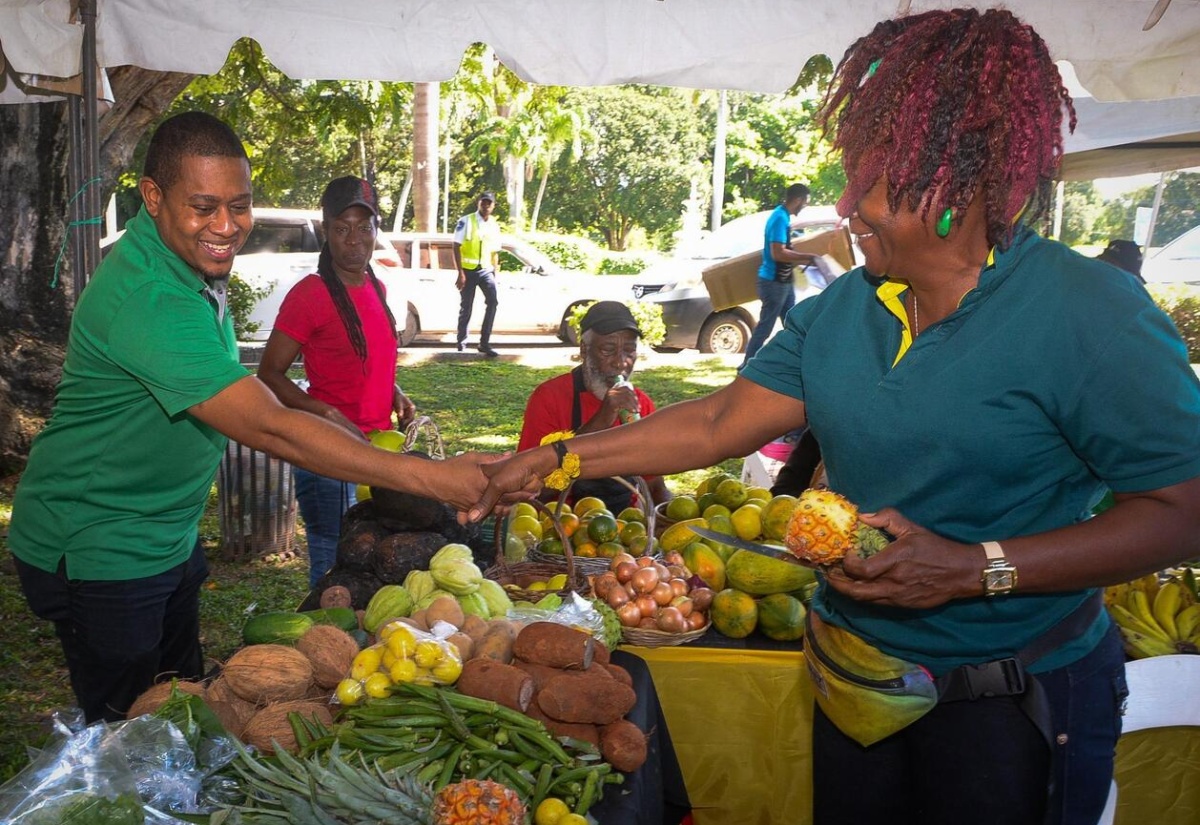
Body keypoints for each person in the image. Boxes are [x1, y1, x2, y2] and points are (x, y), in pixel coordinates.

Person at [469, 10, 1200, 825]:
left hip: (1012, 704)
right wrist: (562, 456)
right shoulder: (849, 307)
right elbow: (721, 423)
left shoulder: (1091, 315)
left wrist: (977, 565)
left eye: (876, 179)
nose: (849, 203)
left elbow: (1182, 511)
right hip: (856, 686)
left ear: (960, 182)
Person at [7, 112, 514, 725]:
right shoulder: (149, 296)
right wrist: (428, 477)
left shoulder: (185, 265)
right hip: (100, 544)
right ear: (152, 197)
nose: (226, 227)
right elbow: (268, 425)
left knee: (183, 707)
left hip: (165, 533)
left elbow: (254, 397)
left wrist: (341, 424)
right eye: (203, 207)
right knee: (129, 735)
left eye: (240, 205)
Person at [257, 175, 417, 589]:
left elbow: (365, 358)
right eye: (343, 229)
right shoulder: (311, 294)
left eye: (365, 228)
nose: (355, 239)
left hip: (376, 451)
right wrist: (323, 410)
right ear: (327, 232)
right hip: (329, 454)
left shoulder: (375, 286)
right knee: (333, 563)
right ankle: (324, 642)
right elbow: (270, 373)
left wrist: (393, 392)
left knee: (371, 560)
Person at [517, 301, 672, 513]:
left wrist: (671, 515)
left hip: (626, 526)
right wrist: (602, 419)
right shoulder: (549, 398)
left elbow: (654, 484)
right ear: (584, 349)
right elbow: (529, 491)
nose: (621, 363)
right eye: (608, 350)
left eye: (629, 351)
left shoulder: (640, 404)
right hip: (562, 524)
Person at [741, 182, 812, 365]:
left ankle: (797, 361)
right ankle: (747, 364)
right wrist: (806, 257)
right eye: (805, 202)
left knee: (792, 324)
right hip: (773, 282)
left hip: (783, 281)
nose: (805, 206)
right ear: (798, 199)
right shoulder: (779, 218)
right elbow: (777, 253)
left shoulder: (783, 217)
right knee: (766, 326)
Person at [453, 191, 502, 356]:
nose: (486, 205)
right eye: (483, 202)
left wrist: (495, 272)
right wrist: (460, 273)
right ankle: (461, 343)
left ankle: (484, 343)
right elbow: (456, 246)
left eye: (489, 203)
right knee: (466, 307)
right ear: (478, 203)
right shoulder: (466, 221)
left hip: (486, 270)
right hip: (468, 270)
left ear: (493, 206)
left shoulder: (494, 224)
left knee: (493, 303)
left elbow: (495, 251)